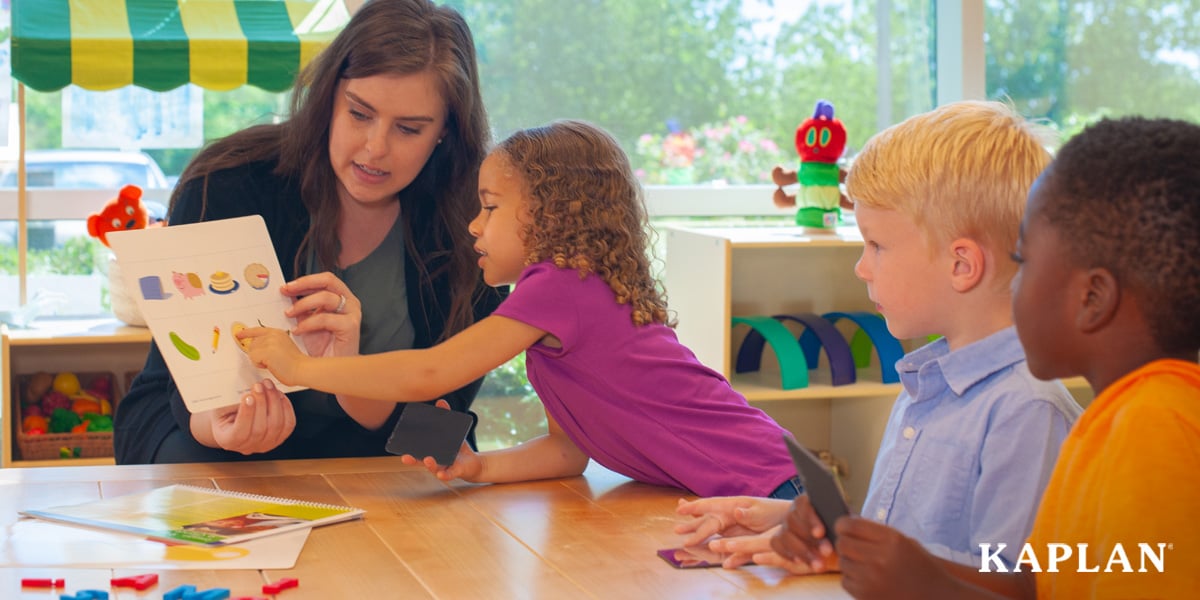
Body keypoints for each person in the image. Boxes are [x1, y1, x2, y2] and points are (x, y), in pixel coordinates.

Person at [240, 119, 801, 498]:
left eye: (490, 207)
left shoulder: (559, 286)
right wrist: (480, 467)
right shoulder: (568, 304)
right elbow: (567, 451)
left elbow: (432, 370)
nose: (474, 225)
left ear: (556, 214)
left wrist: (302, 368)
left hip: (767, 482)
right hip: (763, 480)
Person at [777, 116, 1200, 599]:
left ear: (1092, 298)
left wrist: (930, 587)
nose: (1010, 284)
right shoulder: (1118, 422)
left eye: (1024, 261)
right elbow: (1039, 583)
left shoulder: (1155, 428)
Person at [674, 100, 1083, 571]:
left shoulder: (1027, 412)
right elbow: (914, 540)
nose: (862, 267)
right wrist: (800, 523)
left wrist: (852, 551)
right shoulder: (926, 384)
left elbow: (1010, 580)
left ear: (961, 265)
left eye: (877, 246)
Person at [114, 0, 505, 464]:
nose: (375, 148)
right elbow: (179, 380)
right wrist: (220, 425)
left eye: (408, 129)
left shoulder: (476, 229)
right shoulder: (229, 183)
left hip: (383, 455)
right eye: (359, 114)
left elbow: (442, 435)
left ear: (445, 132)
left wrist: (352, 380)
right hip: (202, 439)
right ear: (328, 98)